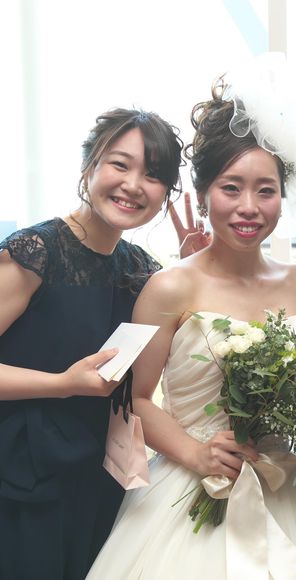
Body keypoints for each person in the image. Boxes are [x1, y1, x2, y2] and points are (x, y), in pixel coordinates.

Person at [86, 78, 296, 580]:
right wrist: (196, 453)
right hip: (189, 488)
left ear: (282, 198)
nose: (249, 206)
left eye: (265, 190)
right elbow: (136, 398)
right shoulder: (169, 288)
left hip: (289, 486)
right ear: (203, 194)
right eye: (231, 188)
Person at [0, 107, 183, 580]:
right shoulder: (35, 252)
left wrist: (195, 266)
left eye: (153, 175)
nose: (133, 185)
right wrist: (62, 383)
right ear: (90, 165)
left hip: (102, 471)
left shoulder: (141, 268)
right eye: (120, 164)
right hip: (24, 473)